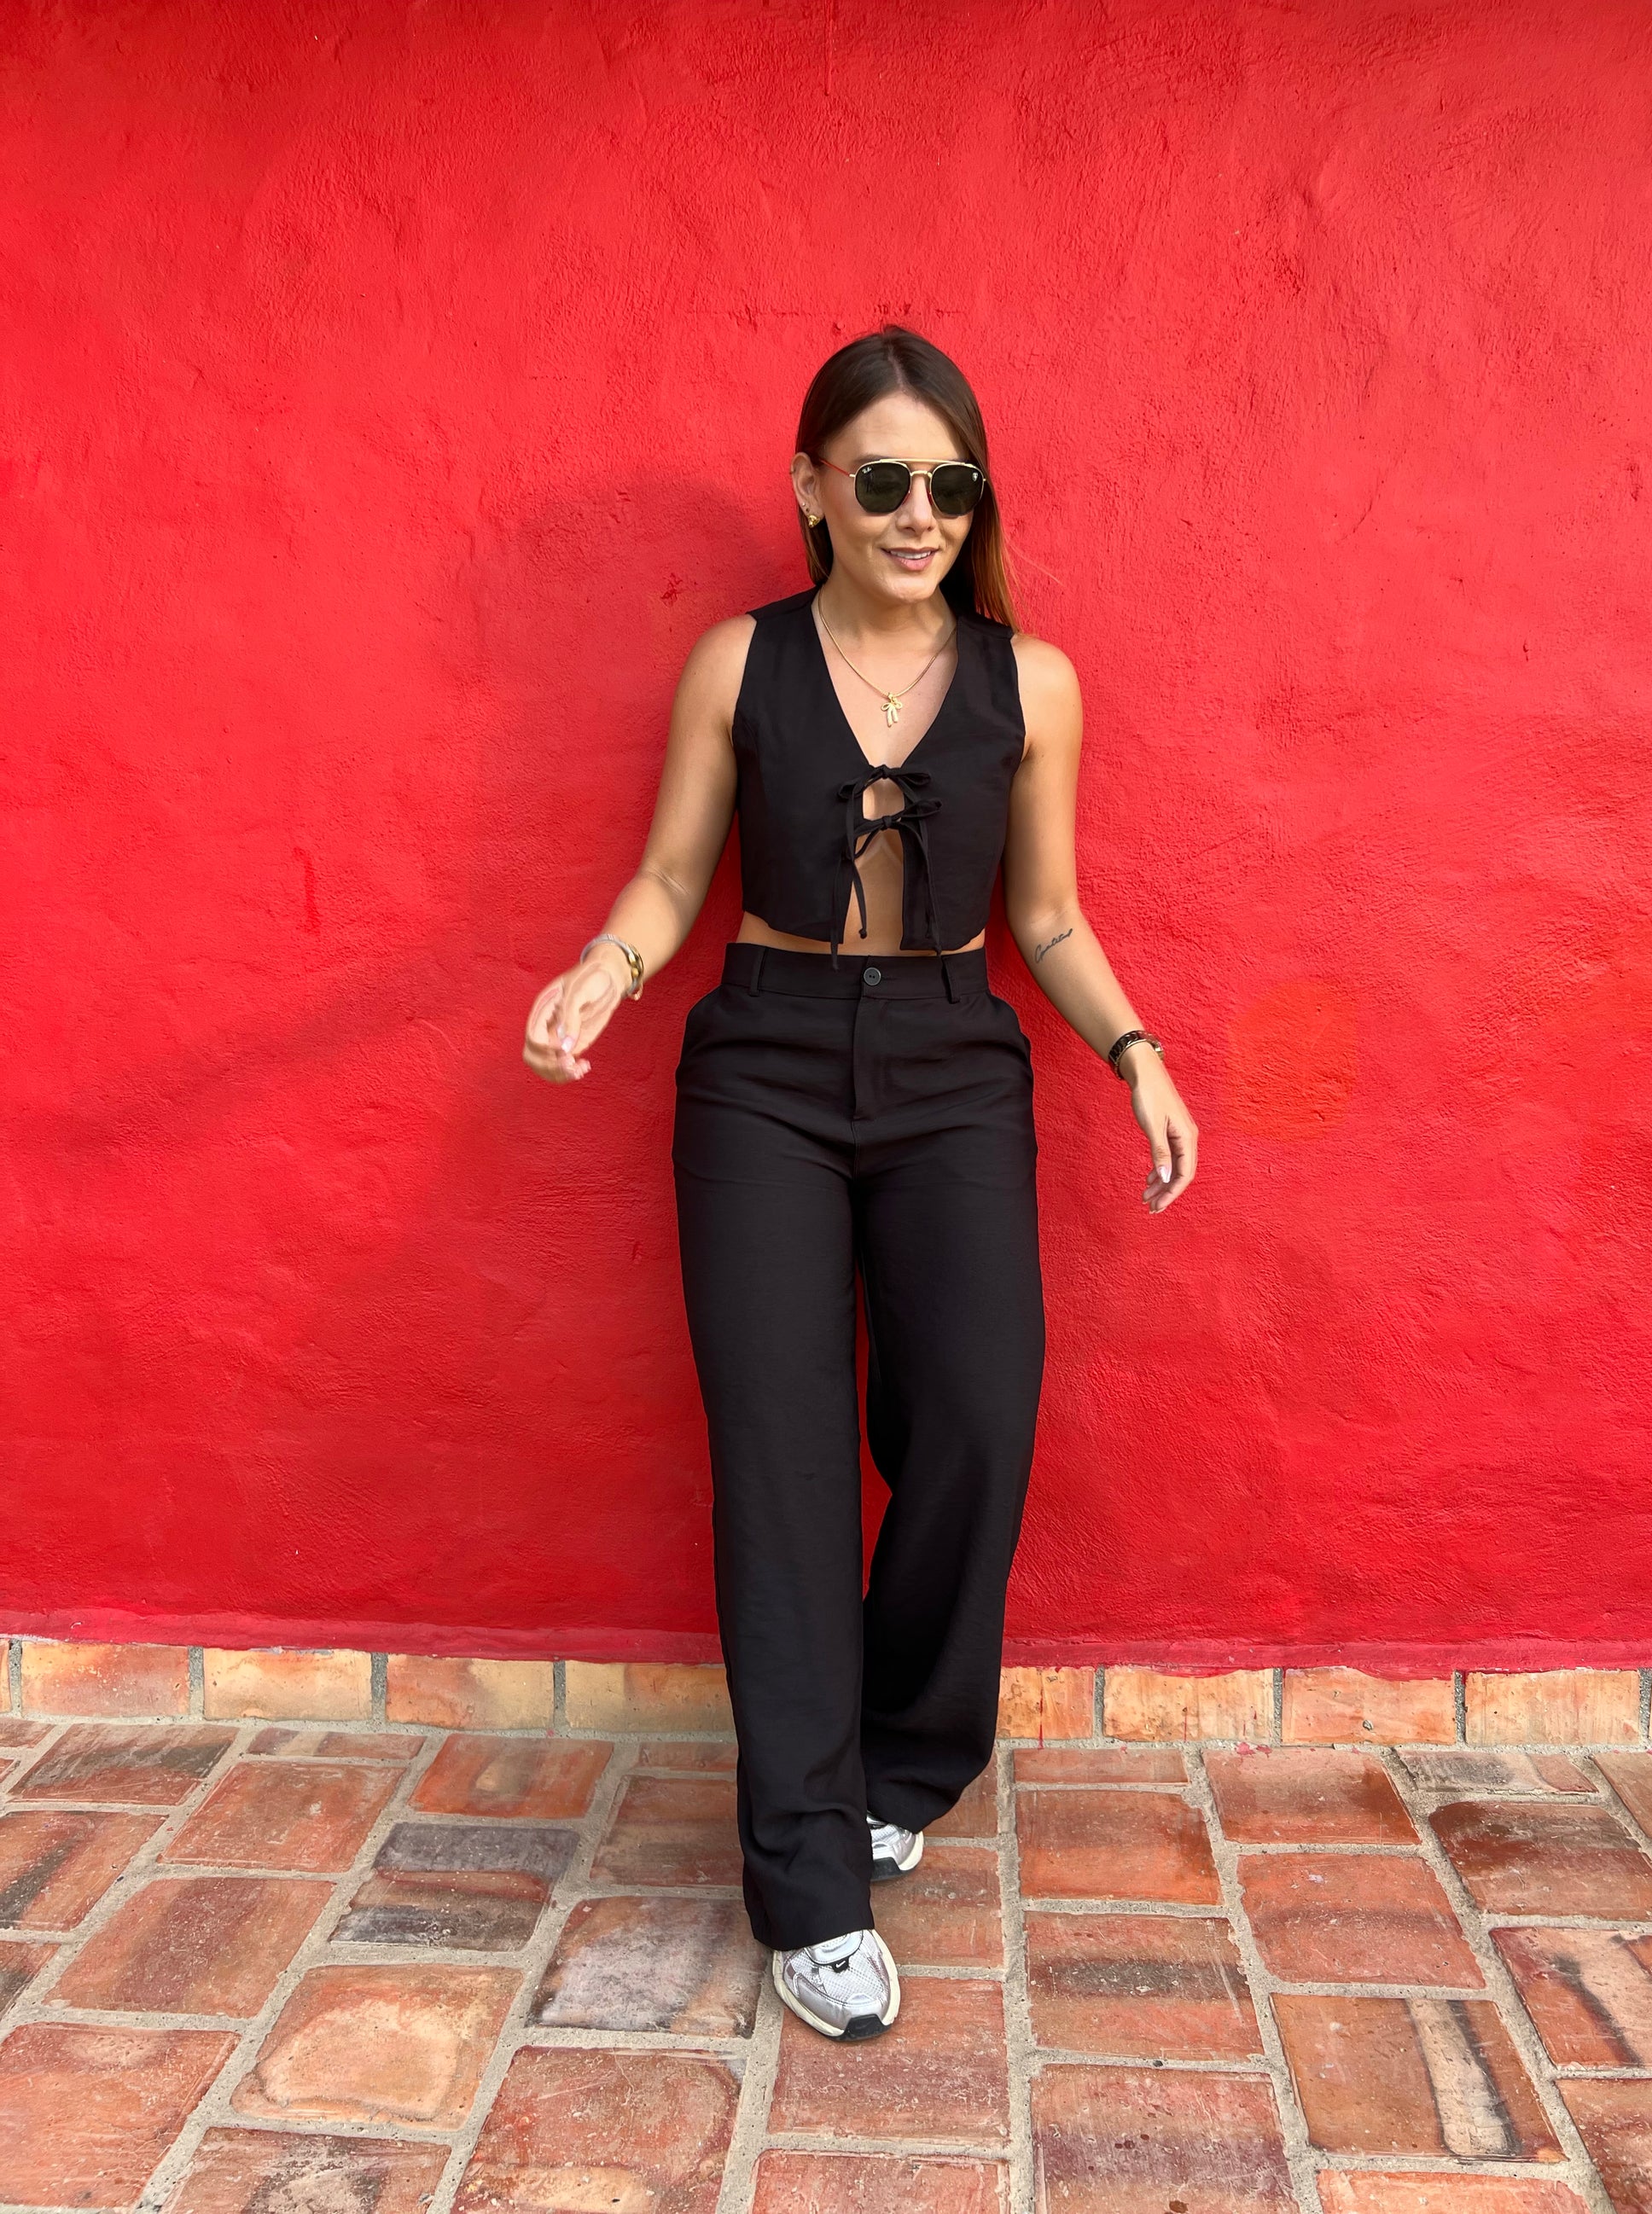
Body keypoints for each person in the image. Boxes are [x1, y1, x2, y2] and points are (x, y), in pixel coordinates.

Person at [523, 325, 1198, 2042]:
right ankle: (809, 1879)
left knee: (975, 1413)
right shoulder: (736, 663)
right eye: (882, 478)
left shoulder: (1029, 682)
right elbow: (671, 874)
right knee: (784, 1465)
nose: (918, 513)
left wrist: (1134, 1051)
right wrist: (606, 966)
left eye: (948, 484)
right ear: (812, 487)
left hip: (956, 1065)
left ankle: (899, 1758)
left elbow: (1045, 913)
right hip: (761, 1064)